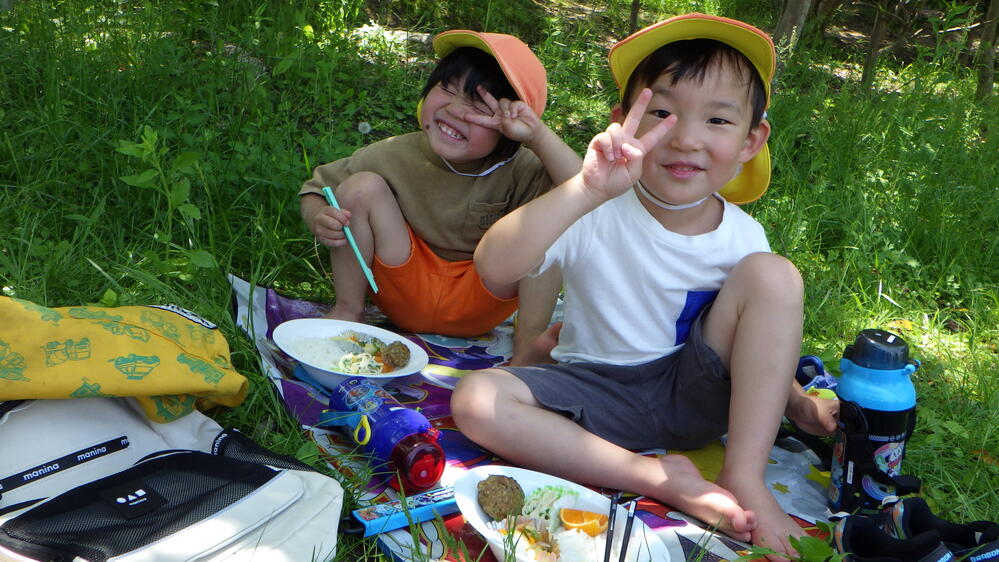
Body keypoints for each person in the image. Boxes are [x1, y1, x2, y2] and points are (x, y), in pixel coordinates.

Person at [451, 13, 839, 561]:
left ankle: (743, 474)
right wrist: (584, 189)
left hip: (697, 392)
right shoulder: (595, 205)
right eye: (661, 113)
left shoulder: (743, 234)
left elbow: (755, 343)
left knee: (774, 273)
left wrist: (795, 404)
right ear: (623, 124)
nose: (685, 138)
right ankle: (658, 478)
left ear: (753, 140)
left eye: (718, 121)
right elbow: (494, 267)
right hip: (598, 394)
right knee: (476, 398)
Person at [300, 30, 579, 356]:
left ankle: (528, 347)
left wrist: (537, 137)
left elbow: (587, 190)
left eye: (479, 105)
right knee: (359, 188)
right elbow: (316, 189)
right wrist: (320, 217)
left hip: (481, 300)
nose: (456, 109)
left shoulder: (523, 167)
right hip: (400, 288)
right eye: (447, 88)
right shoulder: (393, 154)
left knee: (552, 221)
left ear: (509, 130)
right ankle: (348, 310)